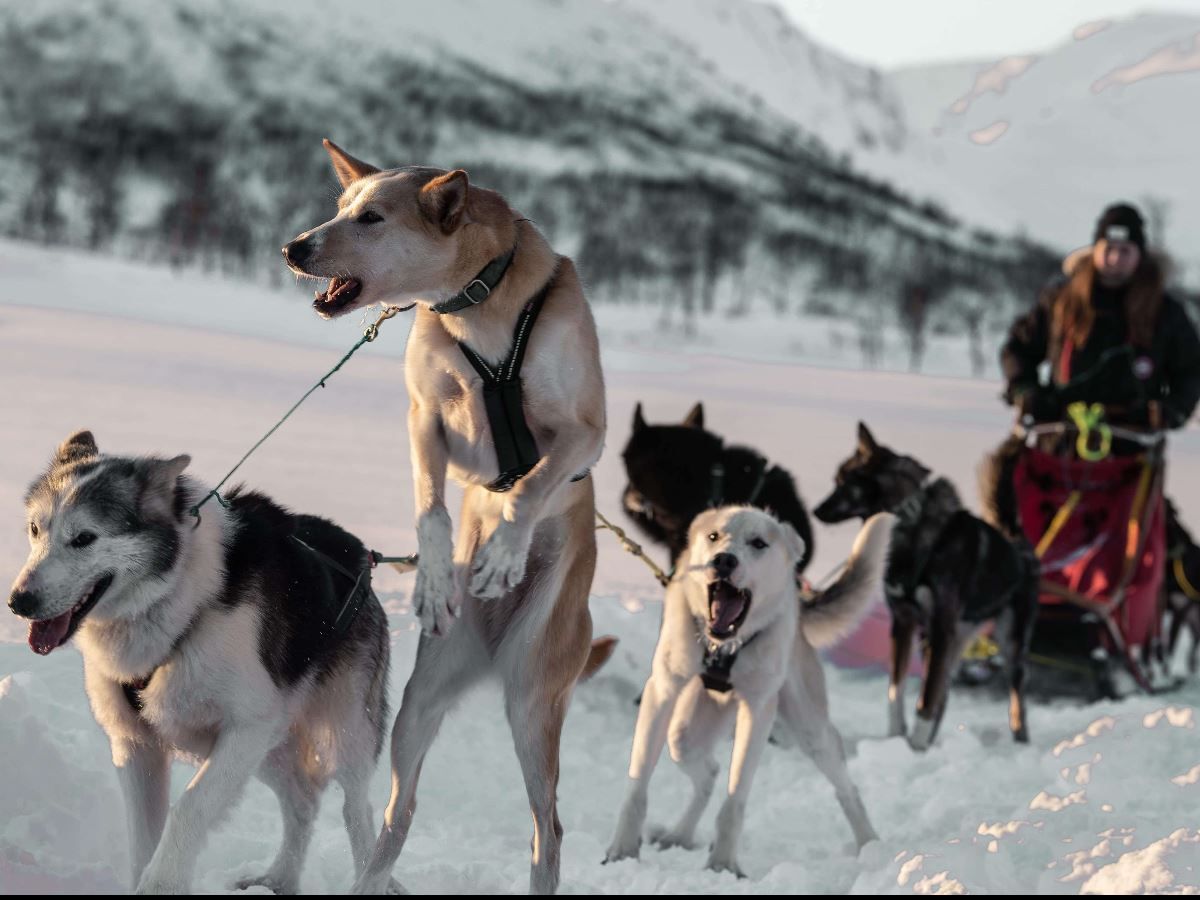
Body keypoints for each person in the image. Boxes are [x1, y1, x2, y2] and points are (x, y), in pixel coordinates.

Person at [1000, 202, 1200, 431]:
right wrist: (1025, 390)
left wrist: (1173, 409)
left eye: (1125, 250)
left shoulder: (1165, 311)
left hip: (1134, 438)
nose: (1115, 258)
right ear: (1095, 250)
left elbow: (1191, 369)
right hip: (1058, 430)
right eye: (1109, 249)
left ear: (1139, 255)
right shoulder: (1060, 301)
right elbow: (1017, 349)